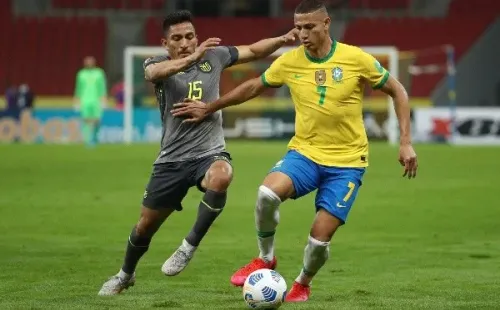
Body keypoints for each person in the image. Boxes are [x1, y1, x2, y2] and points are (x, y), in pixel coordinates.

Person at [171, 0, 418, 302]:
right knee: (266, 194)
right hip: (305, 153)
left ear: (326, 24)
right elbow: (253, 87)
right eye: (298, 27)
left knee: (319, 239)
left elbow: (398, 90)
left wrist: (405, 141)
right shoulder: (290, 61)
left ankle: (303, 282)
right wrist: (211, 107)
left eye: (309, 27)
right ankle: (265, 258)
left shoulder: (356, 59)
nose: (302, 33)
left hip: (347, 163)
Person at [98, 10, 298, 296]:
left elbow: (253, 50)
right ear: (165, 43)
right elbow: (153, 74)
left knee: (222, 176)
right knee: (145, 226)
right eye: (177, 38)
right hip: (171, 159)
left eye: (190, 37)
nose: (185, 42)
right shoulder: (157, 63)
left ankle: (187, 247)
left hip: (209, 152)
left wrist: (283, 39)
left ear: (197, 37)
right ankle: (124, 275)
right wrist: (192, 58)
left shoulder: (214, 57)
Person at [74, 56, 107, 147]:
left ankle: (95, 138)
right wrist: (77, 100)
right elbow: (78, 88)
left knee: (97, 120)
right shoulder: (81, 74)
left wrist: (103, 99)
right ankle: (87, 141)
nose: (89, 63)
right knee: (86, 120)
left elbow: (102, 87)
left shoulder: (99, 73)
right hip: (84, 100)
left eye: (91, 61)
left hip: (96, 100)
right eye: (87, 62)